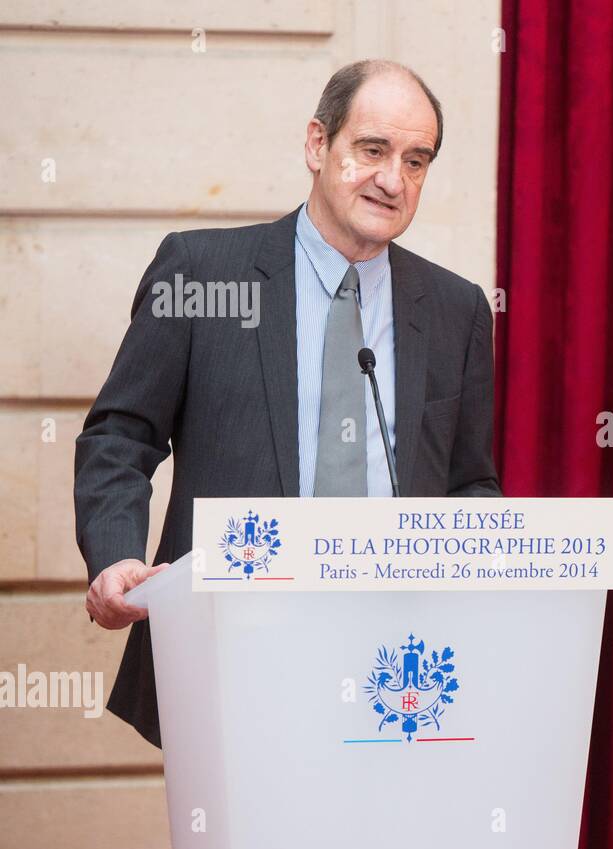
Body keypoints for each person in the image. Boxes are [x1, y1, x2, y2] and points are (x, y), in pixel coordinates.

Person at [74, 59, 501, 749]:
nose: (393, 180)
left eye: (415, 161)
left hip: (396, 668)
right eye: (372, 150)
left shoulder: (456, 310)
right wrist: (115, 555)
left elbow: (470, 482)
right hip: (233, 646)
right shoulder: (202, 273)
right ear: (316, 145)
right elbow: (121, 436)